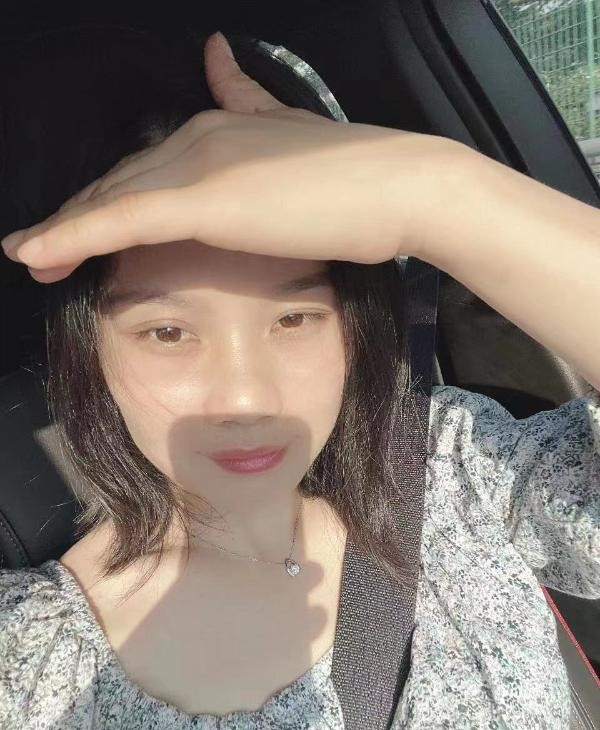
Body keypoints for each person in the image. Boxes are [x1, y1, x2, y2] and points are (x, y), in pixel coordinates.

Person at [0, 27, 598, 730]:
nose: (247, 398)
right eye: (168, 333)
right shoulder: (31, 663)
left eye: (294, 318)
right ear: (90, 348)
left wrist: (437, 196)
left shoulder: (457, 472)